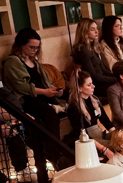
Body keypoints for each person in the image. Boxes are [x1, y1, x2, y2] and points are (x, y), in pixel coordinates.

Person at [3, 27, 64, 164]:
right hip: (26, 99)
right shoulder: (12, 62)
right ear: (21, 44)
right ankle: (55, 153)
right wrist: (45, 92)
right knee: (49, 114)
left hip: (41, 95)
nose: (35, 50)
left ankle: (66, 145)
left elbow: (45, 81)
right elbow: (22, 87)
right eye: (32, 47)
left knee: (71, 100)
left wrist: (55, 90)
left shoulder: (35, 61)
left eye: (37, 48)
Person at [66, 70, 113, 153]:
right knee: (118, 146)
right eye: (89, 85)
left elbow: (106, 121)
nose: (93, 86)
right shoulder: (74, 107)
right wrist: (104, 149)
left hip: (101, 134)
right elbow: (83, 135)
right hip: (90, 141)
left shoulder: (95, 100)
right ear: (79, 88)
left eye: (92, 83)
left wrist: (117, 135)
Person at [72, 18, 116, 97]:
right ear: (84, 32)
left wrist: (118, 76)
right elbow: (94, 76)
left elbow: (104, 70)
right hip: (94, 85)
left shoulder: (93, 46)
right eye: (92, 29)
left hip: (102, 80)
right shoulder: (82, 49)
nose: (97, 31)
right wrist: (116, 80)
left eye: (96, 28)